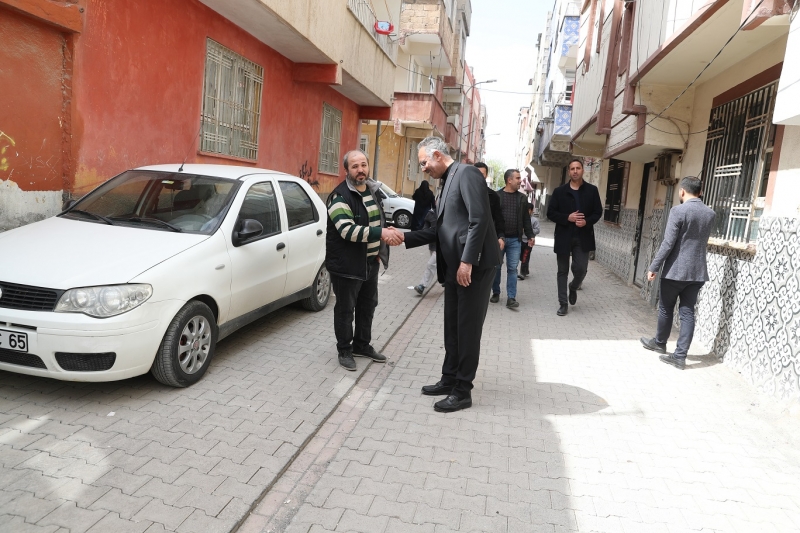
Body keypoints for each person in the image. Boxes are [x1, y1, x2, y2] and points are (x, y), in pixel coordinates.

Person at [395, 136, 501, 413]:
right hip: (454, 268)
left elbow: (479, 219)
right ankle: (449, 377)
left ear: (438, 156)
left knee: (466, 329)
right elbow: (439, 231)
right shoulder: (445, 182)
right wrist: (402, 237)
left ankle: (463, 390)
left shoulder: (466, 173)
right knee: (452, 326)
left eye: (424, 162)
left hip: (473, 269)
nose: (423, 168)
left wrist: (467, 261)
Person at [325, 149, 402, 371]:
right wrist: (381, 234)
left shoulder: (372, 191)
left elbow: (377, 220)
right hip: (347, 266)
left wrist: (380, 247)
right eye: (355, 166)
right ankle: (344, 350)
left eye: (364, 165)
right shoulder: (339, 197)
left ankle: (362, 345)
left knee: (368, 306)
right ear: (347, 170)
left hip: (369, 262)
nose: (361, 170)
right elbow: (347, 230)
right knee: (346, 309)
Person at [640, 176, 716, 369]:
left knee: (666, 307)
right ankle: (680, 356)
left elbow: (668, 243)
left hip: (675, 271)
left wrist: (654, 267)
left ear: (682, 191)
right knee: (688, 312)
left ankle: (660, 343)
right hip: (697, 272)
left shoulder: (678, 211)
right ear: (700, 191)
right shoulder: (710, 213)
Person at [546, 158, 603, 316]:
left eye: (578, 168)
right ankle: (563, 303)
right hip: (564, 236)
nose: (575, 171)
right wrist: (567, 218)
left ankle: (573, 286)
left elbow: (598, 212)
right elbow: (550, 213)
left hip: (583, 236)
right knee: (562, 271)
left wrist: (586, 222)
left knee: (581, 269)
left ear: (582, 170)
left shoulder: (592, 190)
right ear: (569, 171)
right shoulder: (559, 191)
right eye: (572, 168)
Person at [490, 169, 535, 308]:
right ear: (509, 180)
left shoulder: (522, 198)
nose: (520, 180)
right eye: (517, 178)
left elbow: (526, 219)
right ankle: (496, 292)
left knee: (512, 269)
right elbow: (492, 219)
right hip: (499, 239)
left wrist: (530, 235)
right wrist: (497, 236)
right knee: (496, 267)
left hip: (515, 239)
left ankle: (511, 297)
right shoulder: (497, 196)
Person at [474, 162, 506, 253]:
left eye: (482, 174)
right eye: (476, 173)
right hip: (465, 236)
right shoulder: (463, 192)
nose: (479, 176)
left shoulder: (493, 196)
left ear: (486, 175)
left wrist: (500, 236)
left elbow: (499, 218)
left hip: (485, 237)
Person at [414, 207, 437, 295]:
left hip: (443, 245)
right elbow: (425, 227)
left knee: (431, 264)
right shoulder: (430, 214)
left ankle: (422, 286)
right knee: (438, 264)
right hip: (432, 244)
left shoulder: (448, 212)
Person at [518, 202, 541, 280]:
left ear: (531, 210)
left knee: (525, 256)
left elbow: (537, 230)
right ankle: (526, 270)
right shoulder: (520, 219)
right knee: (521, 256)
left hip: (529, 241)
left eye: (528, 210)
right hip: (520, 240)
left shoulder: (534, 220)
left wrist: (528, 231)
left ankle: (522, 273)